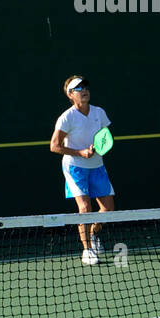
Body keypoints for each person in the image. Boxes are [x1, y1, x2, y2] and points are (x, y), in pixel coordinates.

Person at [49, 75, 115, 265]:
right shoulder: (66, 118)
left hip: (97, 166)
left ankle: (94, 234)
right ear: (70, 95)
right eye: (78, 88)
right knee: (85, 207)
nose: (84, 90)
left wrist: (96, 148)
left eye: (85, 86)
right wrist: (80, 152)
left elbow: (105, 136)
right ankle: (87, 251)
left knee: (108, 209)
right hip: (75, 167)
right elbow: (54, 146)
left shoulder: (99, 113)